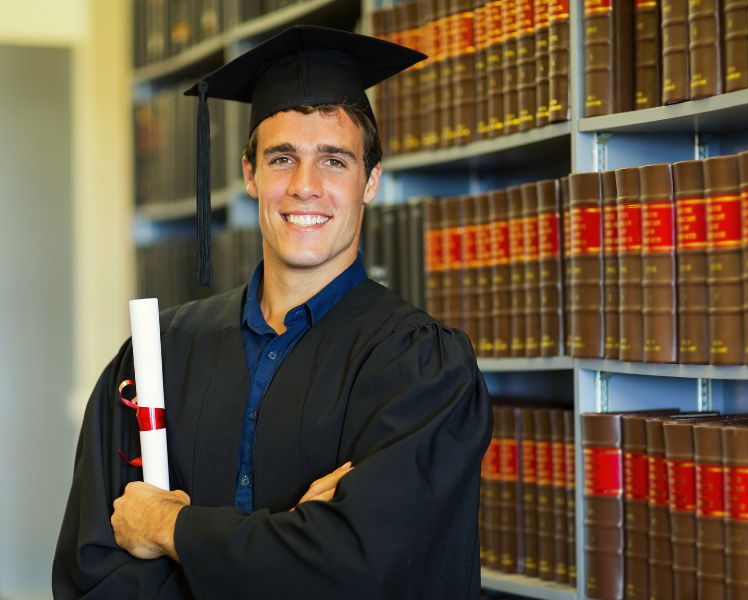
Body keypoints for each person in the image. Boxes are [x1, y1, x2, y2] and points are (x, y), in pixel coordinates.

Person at [53, 25, 492, 599]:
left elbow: (364, 568)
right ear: (250, 175)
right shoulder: (157, 353)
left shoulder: (423, 369)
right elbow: (92, 569)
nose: (305, 187)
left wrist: (169, 527)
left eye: (334, 161)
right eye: (282, 158)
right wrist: (295, 543)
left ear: (371, 182)